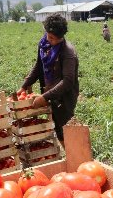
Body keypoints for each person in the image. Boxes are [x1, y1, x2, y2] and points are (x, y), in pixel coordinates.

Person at [19, 13, 79, 146]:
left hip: (64, 97)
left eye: (54, 39)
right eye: (49, 36)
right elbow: (38, 66)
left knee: (64, 128)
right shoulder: (44, 45)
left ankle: (73, 155)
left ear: (61, 37)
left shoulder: (68, 53)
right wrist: (24, 86)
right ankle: (68, 154)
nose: (50, 40)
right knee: (57, 127)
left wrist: (44, 97)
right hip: (50, 93)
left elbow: (68, 81)